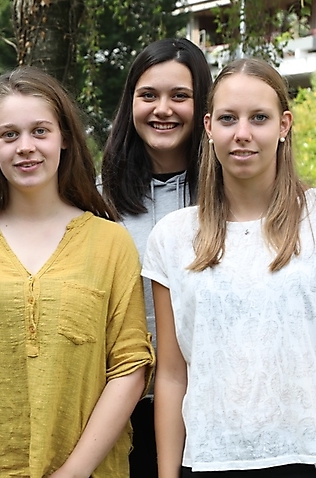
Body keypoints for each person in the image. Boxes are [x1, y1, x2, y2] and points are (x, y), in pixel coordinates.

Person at [144, 58, 316, 478]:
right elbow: (171, 375)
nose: (243, 133)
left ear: (284, 125)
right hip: (208, 463)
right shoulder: (172, 237)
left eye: (259, 117)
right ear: (208, 127)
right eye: (228, 118)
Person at [0, 67, 154, 478]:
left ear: (65, 138)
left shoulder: (110, 243)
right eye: (9, 135)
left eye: (40, 131)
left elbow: (130, 365)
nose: (25, 147)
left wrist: (72, 473)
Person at [100, 38, 212, 477]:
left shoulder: (230, 198)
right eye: (148, 95)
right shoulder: (95, 199)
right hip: (117, 406)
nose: (162, 109)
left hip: (211, 403)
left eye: (179, 96)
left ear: (202, 107)